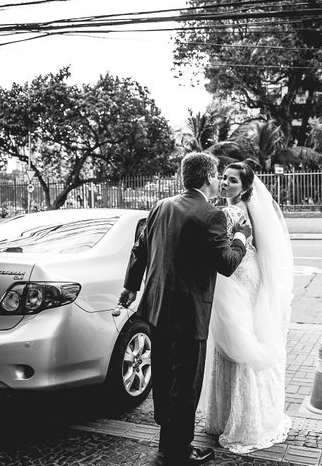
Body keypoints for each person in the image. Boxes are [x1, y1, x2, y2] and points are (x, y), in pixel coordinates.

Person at [119, 152, 251, 466]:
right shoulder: (212, 215)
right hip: (189, 314)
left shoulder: (161, 205)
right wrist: (241, 238)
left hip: (155, 308)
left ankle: (168, 438)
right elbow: (227, 264)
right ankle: (179, 450)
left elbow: (140, 249)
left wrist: (130, 287)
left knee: (163, 377)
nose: (219, 180)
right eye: (217, 174)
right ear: (208, 178)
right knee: (186, 384)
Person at [201, 161, 293, 454]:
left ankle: (239, 421)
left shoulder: (230, 212)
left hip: (237, 277)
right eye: (224, 178)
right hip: (249, 272)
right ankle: (247, 416)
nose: (226, 183)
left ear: (245, 187)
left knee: (234, 339)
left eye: (233, 181)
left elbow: (219, 250)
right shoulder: (251, 210)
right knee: (242, 335)